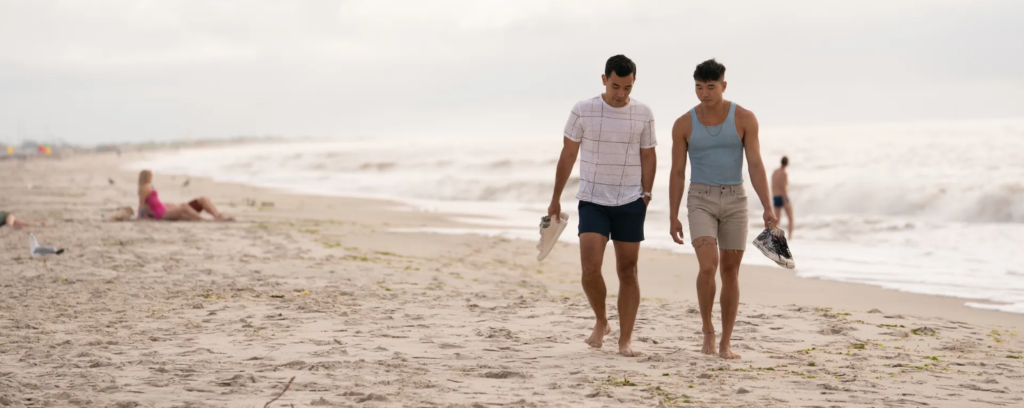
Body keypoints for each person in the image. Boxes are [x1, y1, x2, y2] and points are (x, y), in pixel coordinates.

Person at [668, 59, 778, 360]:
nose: (704, 93)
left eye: (710, 87)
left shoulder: (744, 118)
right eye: (699, 87)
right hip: (699, 198)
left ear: (724, 86)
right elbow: (677, 172)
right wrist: (672, 214)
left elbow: (755, 164)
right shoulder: (683, 124)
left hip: (735, 200)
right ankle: (707, 330)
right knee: (708, 267)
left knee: (731, 272)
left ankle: (726, 342)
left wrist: (768, 207)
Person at [548, 55, 657, 357]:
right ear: (603, 80)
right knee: (590, 269)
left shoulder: (643, 113)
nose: (621, 94)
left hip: (630, 201)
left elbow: (648, 155)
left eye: (628, 87)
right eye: (615, 86)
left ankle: (625, 340)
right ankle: (601, 320)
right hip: (593, 199)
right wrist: (556, 197)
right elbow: (568, 155)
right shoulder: (583, 110)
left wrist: (645, 195)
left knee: (628, 270)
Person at [137, 170, 234, 221]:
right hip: (162, 214)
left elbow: (150, 204)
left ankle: (218, 216)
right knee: (185, 208)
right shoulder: (144, 188)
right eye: (150, 175)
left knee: (203, 199)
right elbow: (141, 205)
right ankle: (204, 220)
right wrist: (141, 217)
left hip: (166, 209)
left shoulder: (148, 187)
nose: (151, 177)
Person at [771, 156, 794, 239]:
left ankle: (774, 237)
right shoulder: (784, 173)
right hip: (782, 197)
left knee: (777, 220)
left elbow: (773, 185)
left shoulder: (775, 172)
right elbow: (783, 187)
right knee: (790, 218)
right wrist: (785, 200)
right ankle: (790, 237)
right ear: (787, 163)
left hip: (775, 197)